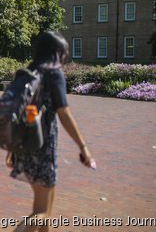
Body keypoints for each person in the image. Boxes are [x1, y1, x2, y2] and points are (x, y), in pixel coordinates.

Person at [6, 31, 96, 232]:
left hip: (24, 146)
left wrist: (11, 148)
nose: (65, 57)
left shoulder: (28, 72)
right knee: (41, 212)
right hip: (43, 147)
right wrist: (83, 147)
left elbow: (18, 113)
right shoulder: (54, 74)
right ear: (56, 53)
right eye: (63, 53)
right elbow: (64, 113)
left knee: (47, 204)